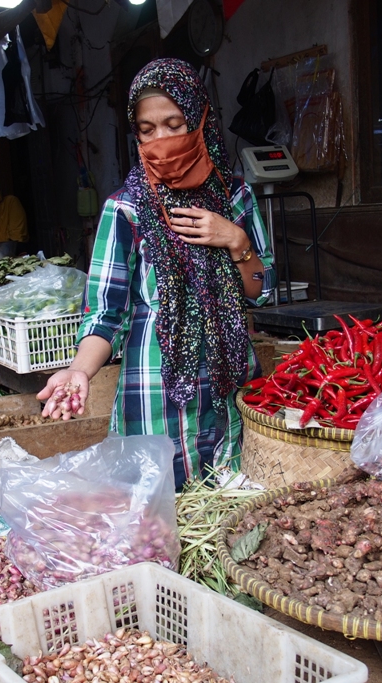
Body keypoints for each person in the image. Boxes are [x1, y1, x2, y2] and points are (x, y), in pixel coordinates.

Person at [37, 59, 275, 489]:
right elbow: (106, 313)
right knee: (158, 516)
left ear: (200, 119)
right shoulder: (125, 208)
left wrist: (236, 241)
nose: (161, 140)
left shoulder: (235, 196)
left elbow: (260, 290)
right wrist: (78, 370)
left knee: (236, 508)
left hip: (232, 384)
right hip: (155, 390)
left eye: (173, 123)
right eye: (147, 130)